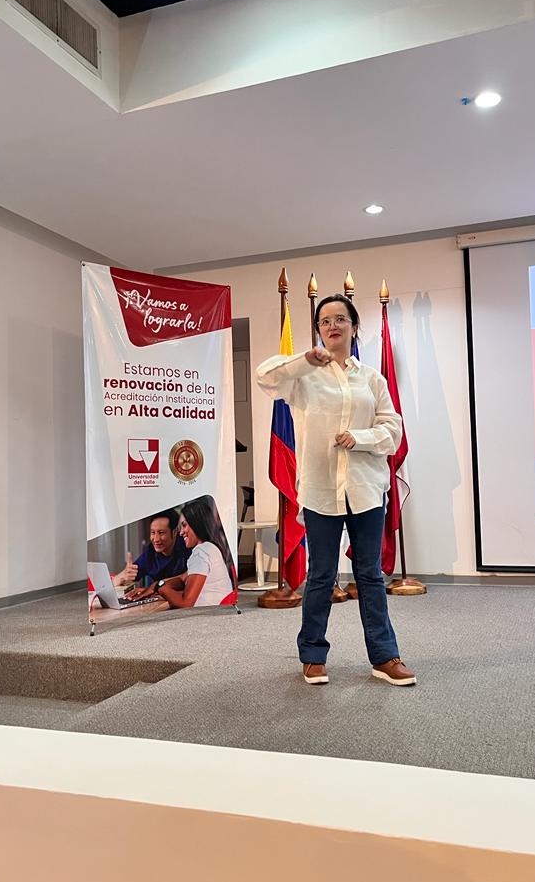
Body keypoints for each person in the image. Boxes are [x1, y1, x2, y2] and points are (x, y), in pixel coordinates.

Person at [256, 293, 416, 687]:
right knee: (322, 574)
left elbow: (392, 430)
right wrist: (302, 360)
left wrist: (358, 438)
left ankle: (384, 657)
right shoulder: (304, 377)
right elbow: (264, 376)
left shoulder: (372, 378)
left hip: (364, 489)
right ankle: (312, 654)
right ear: (319, 330)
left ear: (354, 326)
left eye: (340, 319)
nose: (332, 326)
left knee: (371, 576)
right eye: (325, 321)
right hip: (321, 490)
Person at [157, 496, 237, 609]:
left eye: (184, 525)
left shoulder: (201, 552)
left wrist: (160, 588)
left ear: (196, 523)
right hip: (219, 610)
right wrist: (157, 585)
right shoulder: (211, 548)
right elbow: (182, 578)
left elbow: (186, 603)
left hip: (207, 615)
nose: (181, 533)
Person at [112, 509, 189, 590]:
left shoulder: (186, 544)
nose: (156, 539)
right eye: (153, 532)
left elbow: (190, 576)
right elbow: (115, 582)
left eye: (161, 532)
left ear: (175, 532)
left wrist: (156, 586)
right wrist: (124, 575)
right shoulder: (150, 552)